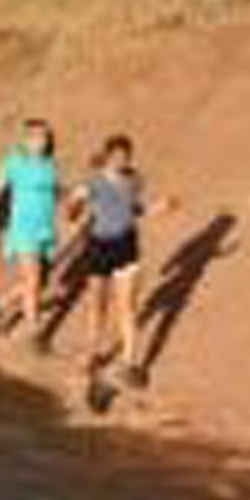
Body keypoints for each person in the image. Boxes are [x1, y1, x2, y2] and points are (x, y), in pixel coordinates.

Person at [66, 134, 158, 410]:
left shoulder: (134, 181)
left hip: (127, 246)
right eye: (117, 155)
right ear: (107, 155)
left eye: (126, 155)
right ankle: (93, 352)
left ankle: (130, 360)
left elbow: (134, 209)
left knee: (127, 305)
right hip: (99, 246)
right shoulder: (93, 181)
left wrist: (157, 208)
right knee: (97, 306)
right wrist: (73, 207)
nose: (122, 160)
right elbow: (73, 207)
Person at [0, 118, 60, 348]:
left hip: (45, 229)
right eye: (36, 137)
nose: (41, 141)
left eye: (45, 137)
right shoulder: (14, 162)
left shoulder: (50, 165)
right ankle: (34, 330)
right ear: (26, 140)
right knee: (33, 279)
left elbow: (57, 193)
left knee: (36, 282)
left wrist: (75, 200)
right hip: (23, 227)